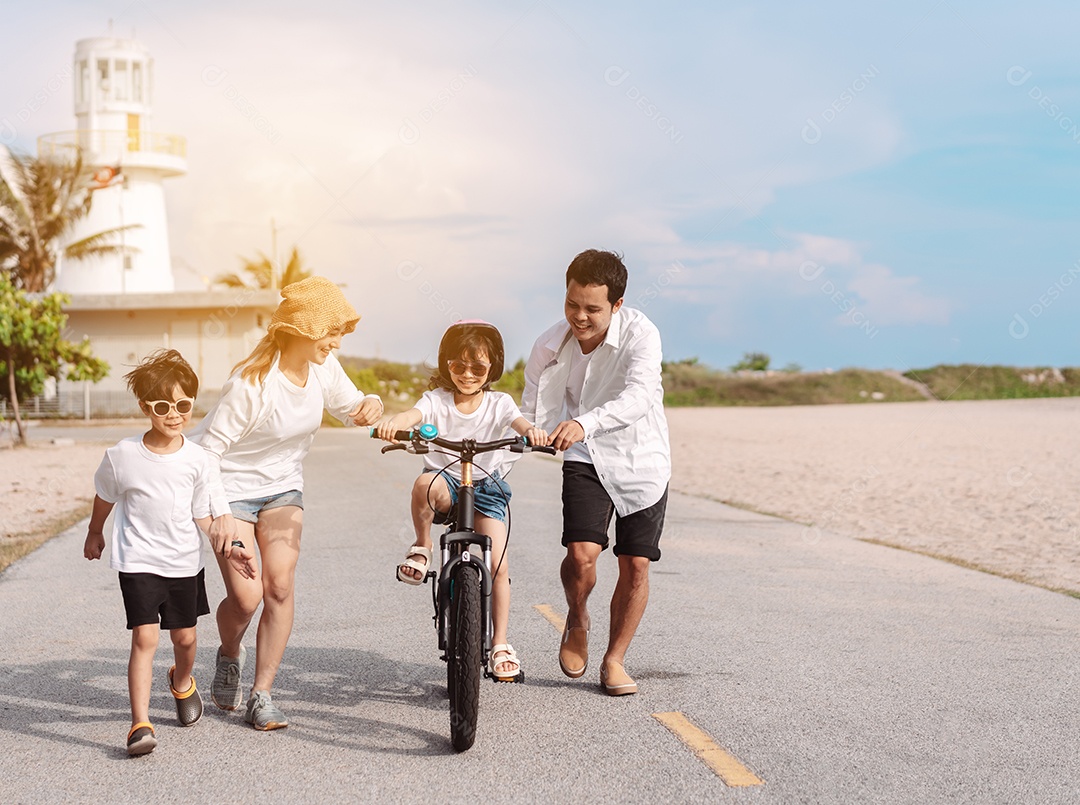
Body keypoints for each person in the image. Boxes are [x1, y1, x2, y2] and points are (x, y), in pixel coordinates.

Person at [189, 276, 383, 730]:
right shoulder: (251, 384)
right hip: (231, 489)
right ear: (302, 328)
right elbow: (209, 453)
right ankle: (229, 652)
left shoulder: (322, 368)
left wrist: (371, 404)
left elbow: (352, 406)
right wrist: (219, 516)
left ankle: (262, 694)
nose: (336, 343)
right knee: (246, 597)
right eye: (330, 332)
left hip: (283, 489)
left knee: (278, 586)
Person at [83, 349, 256, 756]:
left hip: (183, 563)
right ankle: (139, 724)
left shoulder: (198, 459)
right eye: (162, 406)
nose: (174, 414)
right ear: (146, 407)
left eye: (183, 405)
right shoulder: (122, 455)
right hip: (138, 561)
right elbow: (105, 495)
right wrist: (94, 531)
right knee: (144, 638)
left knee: (185, 638)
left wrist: (230, 546)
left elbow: (204, 515)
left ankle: (181, 681)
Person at [520, 249, 671, 696]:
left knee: (636, 563)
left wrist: (585, 423)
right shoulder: (548, 345)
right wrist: (527, 436)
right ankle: (577, 616)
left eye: (592, 309)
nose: (579, 317)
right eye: (572, 304)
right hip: (584, 454)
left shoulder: (642, 334)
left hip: (642, 457)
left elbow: (640, 396)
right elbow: (530, 412)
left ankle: (614, 659)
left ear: (617, 305)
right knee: (582, 554)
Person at [374, 320, 548, 681]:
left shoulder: (499, 403)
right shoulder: (436, 400)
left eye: (478, 368)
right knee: (423, 482)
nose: (468, 374)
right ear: (447, 365)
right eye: (459, 366)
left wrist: (532, 433)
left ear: (492, 369)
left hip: (486, 488)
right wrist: (395, 422)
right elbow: (412, 415)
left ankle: (500, 643)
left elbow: (519, 424)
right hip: (446, 483)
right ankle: (422, 547)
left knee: (498, 565)